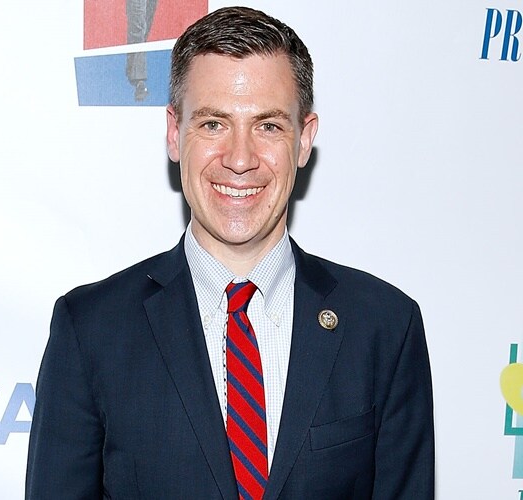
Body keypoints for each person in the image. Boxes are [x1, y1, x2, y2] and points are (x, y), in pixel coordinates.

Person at [26, 6, 434, 499]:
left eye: (268, 126)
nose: (240, 159)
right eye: (214, 124)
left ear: (305, 140)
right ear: (175, 133)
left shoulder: (384, 327)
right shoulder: (91, 329)